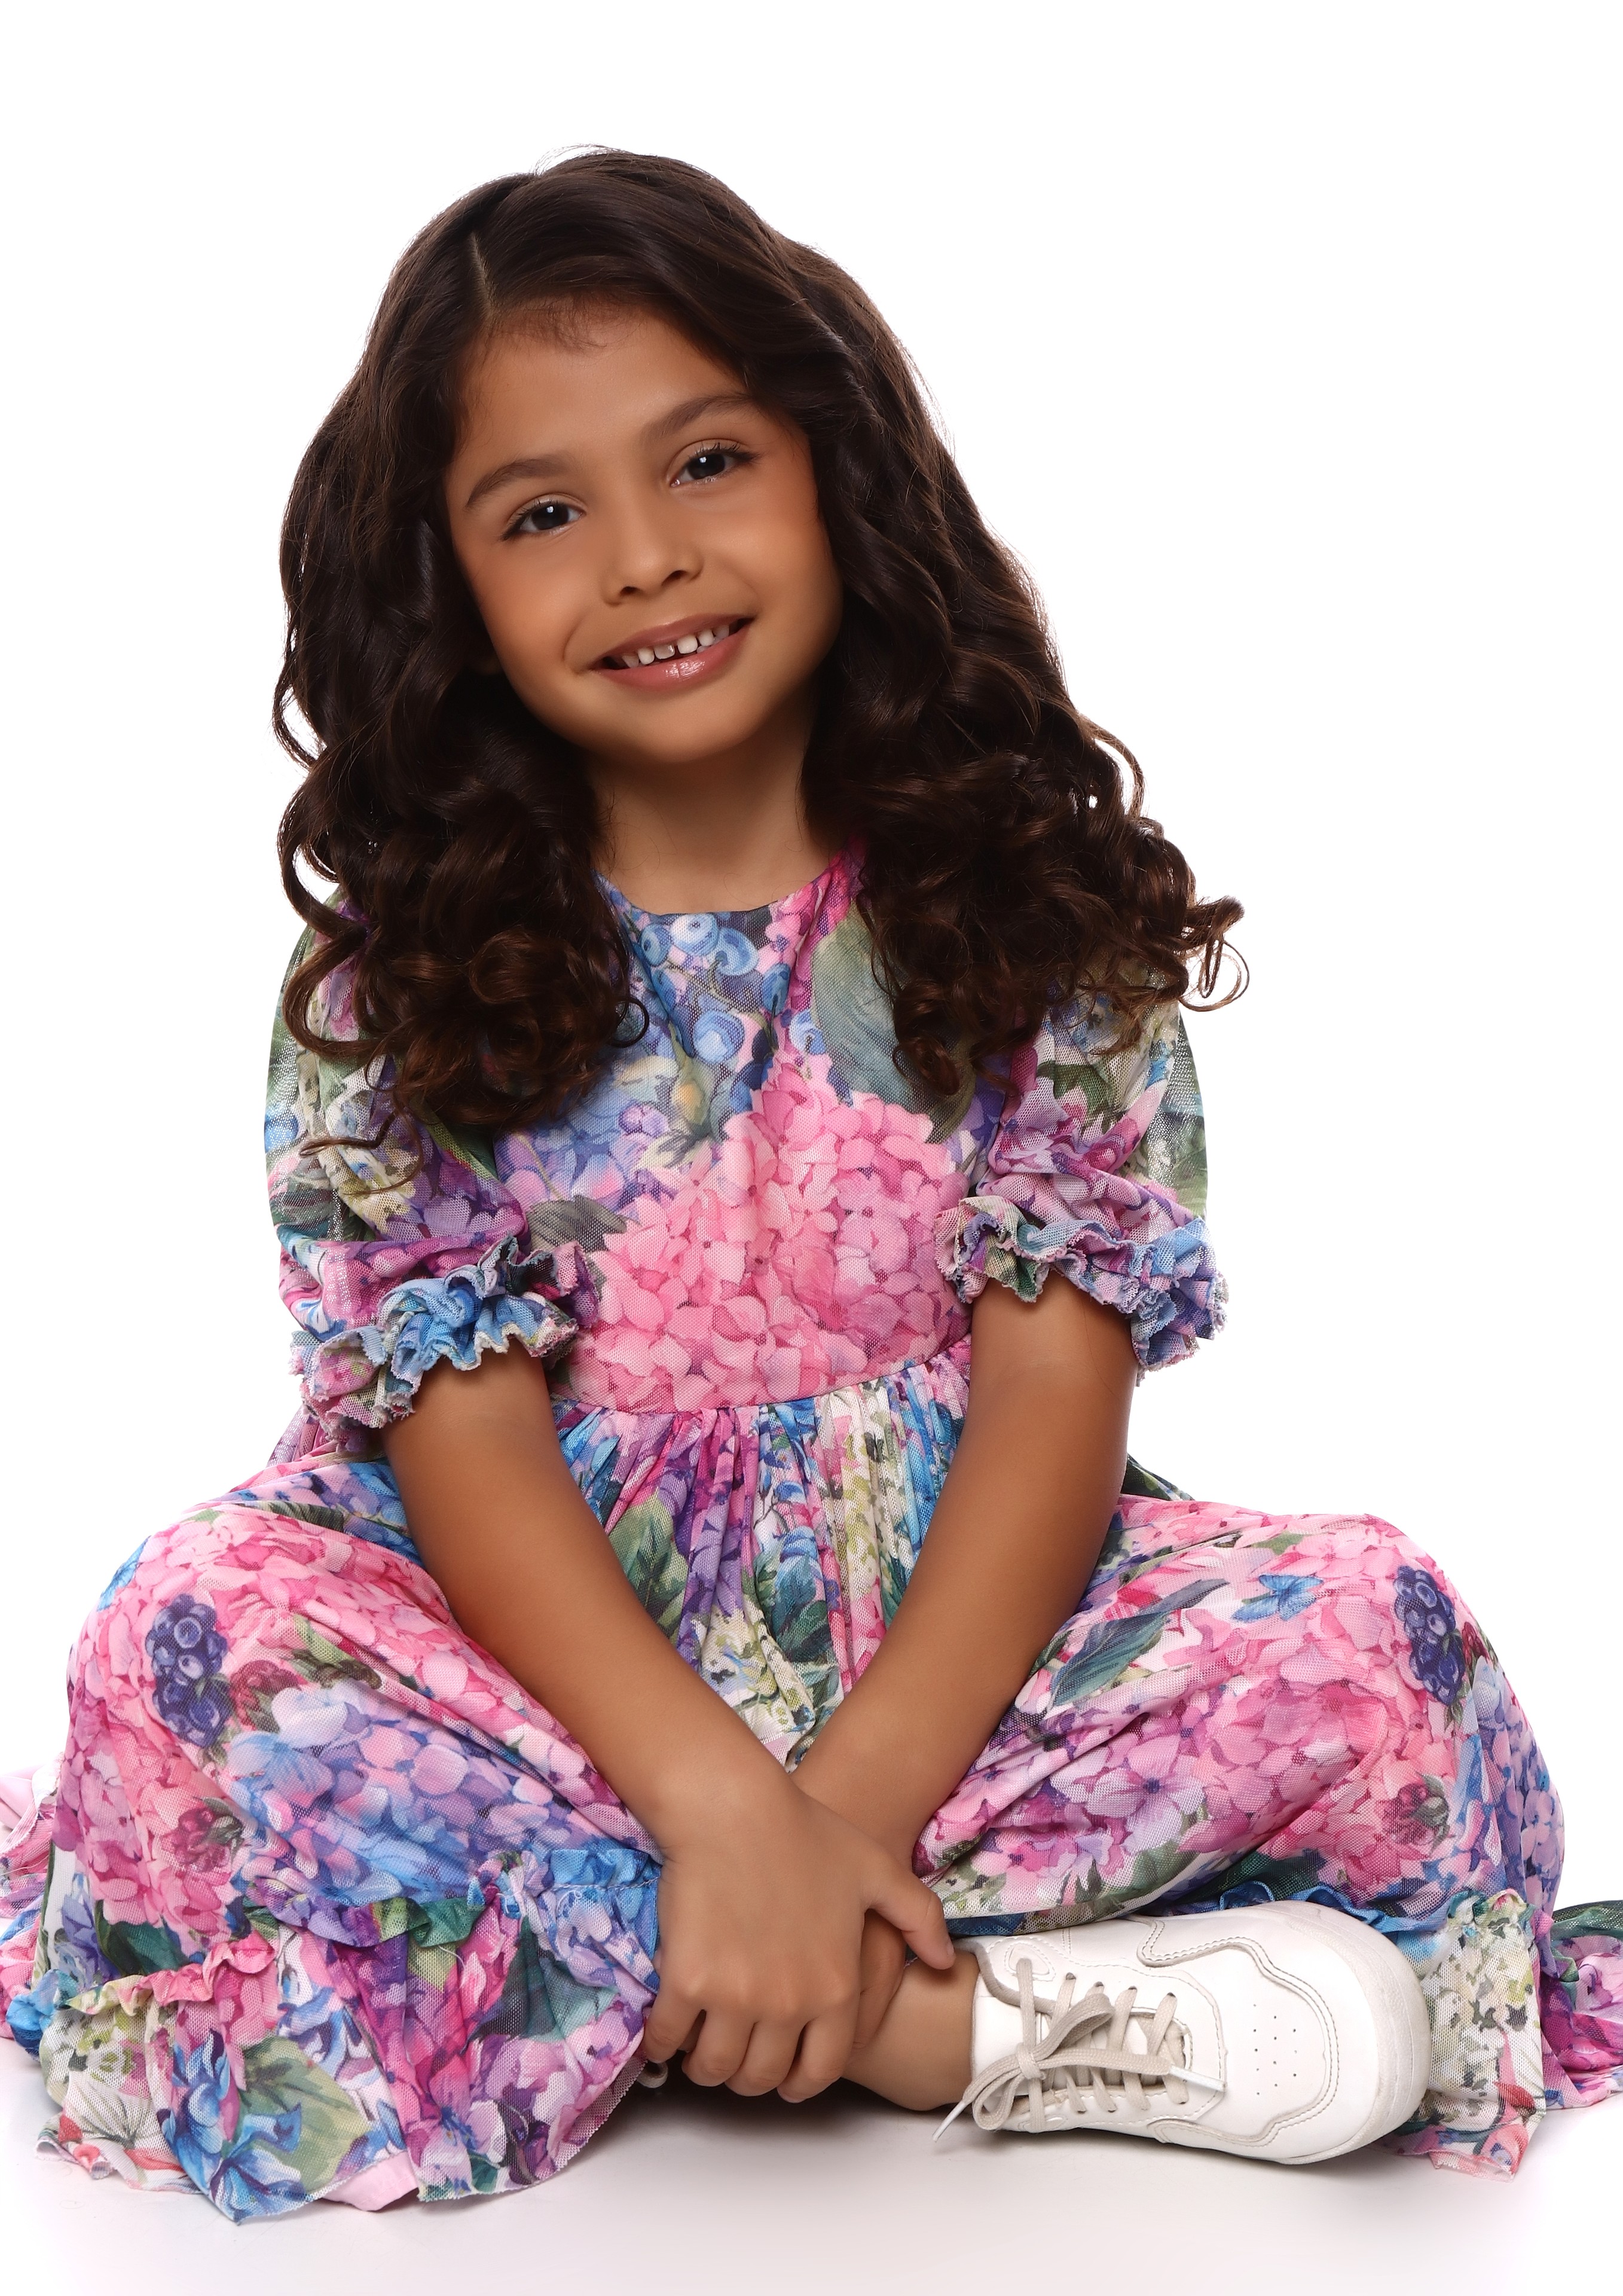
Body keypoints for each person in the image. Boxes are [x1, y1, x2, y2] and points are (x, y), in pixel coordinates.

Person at [1, 152, 1618, 2222]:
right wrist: (713, 1812)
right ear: (447, 595)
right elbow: (459, 1444)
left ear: (835, 469)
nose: (645, 559)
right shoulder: (387, 988)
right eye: (542, 515)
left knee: (1364, 1634)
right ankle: (972, 2023)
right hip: (551, 1674)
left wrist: (831, 1821)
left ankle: (675, 1977)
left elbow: (1056, 1394)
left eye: (706, 462)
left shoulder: (1022, 908)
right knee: (194, 1638)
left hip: (963, 1653)